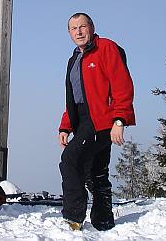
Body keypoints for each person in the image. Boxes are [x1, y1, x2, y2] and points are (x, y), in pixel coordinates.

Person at [58, 13, 135, 231]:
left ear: (92, 28)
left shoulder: (106, 48)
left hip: (101, 120)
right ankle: (103, 221)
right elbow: (74, 98)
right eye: (74, 28)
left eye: (83, 26)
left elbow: (122, 85)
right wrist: (66, 125)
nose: (79, 32)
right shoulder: (74, 59)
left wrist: (119, 119)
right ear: (69, 33)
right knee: (96, 172)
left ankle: (73, 217)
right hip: (82, 120)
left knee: (70, 161)